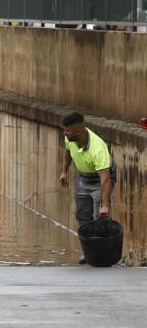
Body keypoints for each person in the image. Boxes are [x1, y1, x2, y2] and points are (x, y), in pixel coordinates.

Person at [58, 111, 116, 264]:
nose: (64, 133)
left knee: (100, 218)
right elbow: (68, 152)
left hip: (100, 180)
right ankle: (89, 252)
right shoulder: (69, 138)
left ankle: (103, 256)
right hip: (83, 178)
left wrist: (105, 205)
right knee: (83, 217)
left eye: (67, 130)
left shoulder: (98, 148)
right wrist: (64, 171)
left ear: (78, 131)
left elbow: (105, 179)